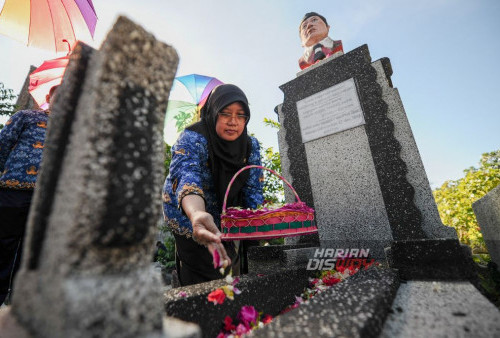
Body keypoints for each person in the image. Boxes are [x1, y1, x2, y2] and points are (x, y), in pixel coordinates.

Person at [162, 84, 263, 286]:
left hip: (224, 214)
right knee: (203, 272)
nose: (233, 122)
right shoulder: (192, 138)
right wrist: (197, 214)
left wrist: (256, 234)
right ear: (213, 113)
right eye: (225, 114)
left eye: (241, 115)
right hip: (188, 214)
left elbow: (253, 190)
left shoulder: (250, 146)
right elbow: (187, 177)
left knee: (235, 266)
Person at [0, 85, 59, 305]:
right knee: (4, 244)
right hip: (13, 192)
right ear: (48, 98)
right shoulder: (26, 116)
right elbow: (3, 144)